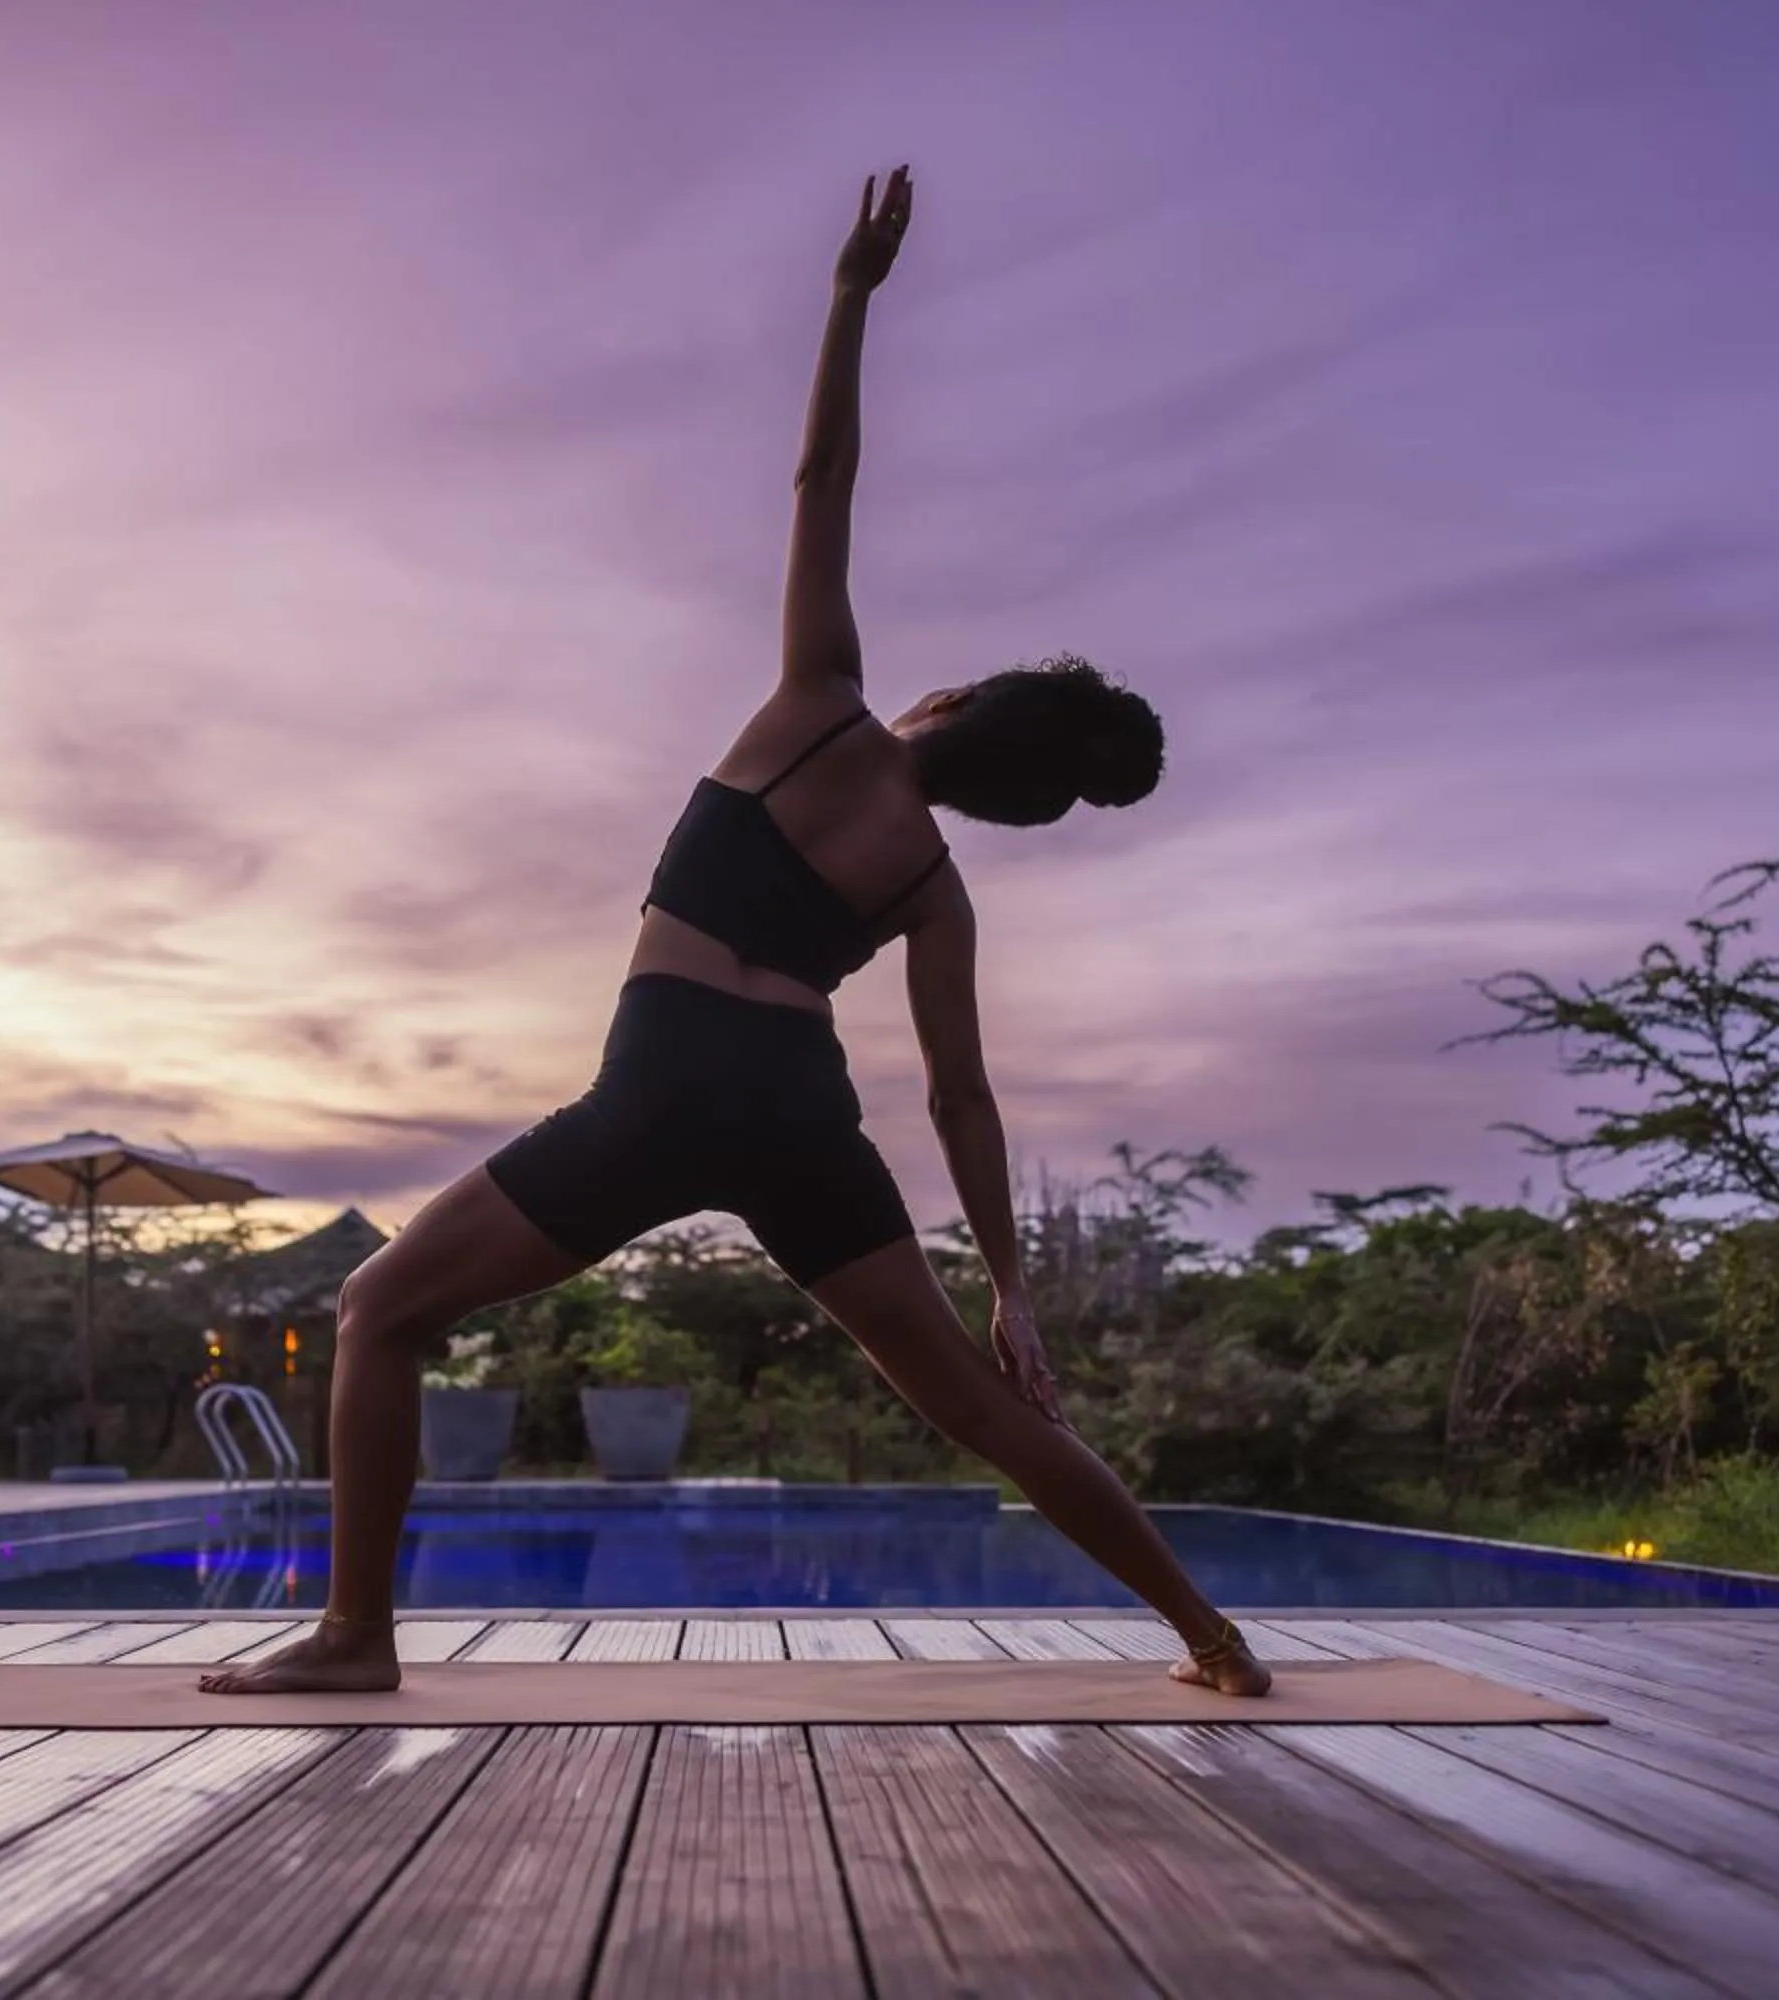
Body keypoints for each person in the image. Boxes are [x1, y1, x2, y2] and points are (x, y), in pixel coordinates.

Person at [203, 166, 1269, 1699]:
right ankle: (1215, 1640)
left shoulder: (814, 713)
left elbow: (819, 482)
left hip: (665, 1088)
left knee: (379, 1310)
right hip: (801, 1116)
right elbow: (963, 1097)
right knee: (980, 1402)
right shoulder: (935, 889)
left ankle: (356, 1637)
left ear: (951, 702)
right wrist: (1013, 1285)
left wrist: (848, 295)